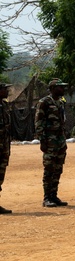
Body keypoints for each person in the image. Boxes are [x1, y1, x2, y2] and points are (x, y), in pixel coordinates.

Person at [35, 78, 70, 207]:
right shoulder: (44, 102)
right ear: (52, 88)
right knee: (49, 169)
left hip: (60, 140)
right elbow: (39, 122)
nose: (62, 89)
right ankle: (46, 197)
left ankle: (54, 196)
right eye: (60, 87)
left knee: (58, 168)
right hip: (49, 141)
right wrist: (42, 140)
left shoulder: (60, 102)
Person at [0, 82, 15, 214]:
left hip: (3, 146)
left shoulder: (4, 105)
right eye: (4, 89)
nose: (7, 91)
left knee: (0, 174)